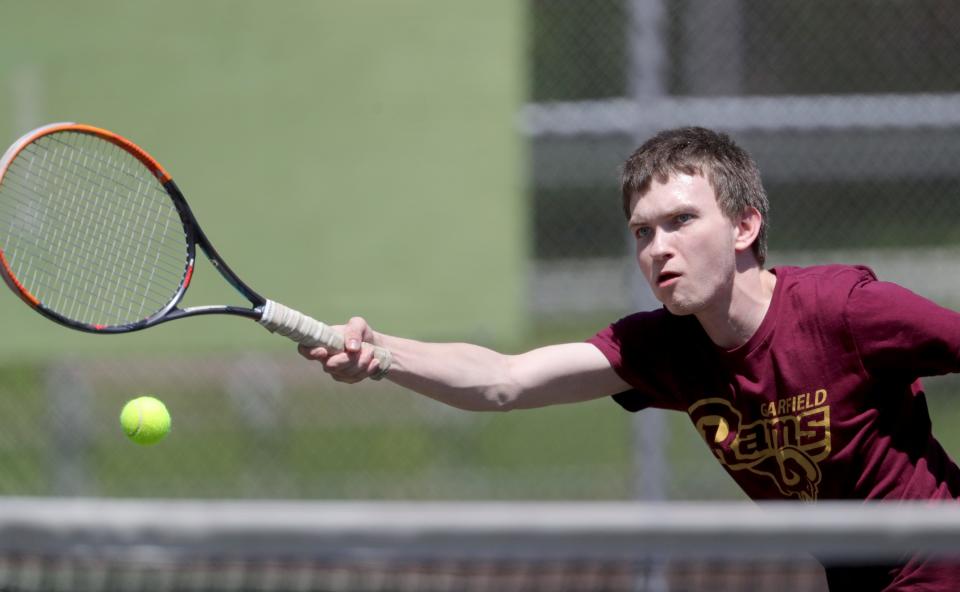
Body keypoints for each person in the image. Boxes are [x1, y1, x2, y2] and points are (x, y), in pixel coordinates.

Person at [299, 126, 960, 590]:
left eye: (680, 222)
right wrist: (379, 353)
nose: (658, 249)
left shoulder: (844, 309)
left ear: (744, 227)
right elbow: (505, 379)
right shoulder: (666, 346)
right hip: (854, 574)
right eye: (643, 232)